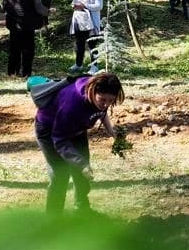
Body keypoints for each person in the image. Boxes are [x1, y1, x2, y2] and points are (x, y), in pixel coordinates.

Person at [34, 73, 124, 214]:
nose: (106, 104)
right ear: (93, 91)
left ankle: (81, 208)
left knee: (83, 172)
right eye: (103, 99)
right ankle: (53, 218)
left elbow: (101, 111)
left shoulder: (98, 95)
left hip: (77, 129)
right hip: (51, 131)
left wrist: (110, 129)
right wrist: (80, 163)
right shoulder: (73, 104)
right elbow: (60, 140)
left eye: (110, 100)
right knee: (60, 174)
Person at [2, 0, 45, 78]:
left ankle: (12, 72)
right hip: (28, 24)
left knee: (14, 49)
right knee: (28, 50)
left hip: (14, 24)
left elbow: (3, 7)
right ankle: (26, 72)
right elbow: (39, 7)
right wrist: (48, 12)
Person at [70, 0, 103, 71]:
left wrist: (85, 5)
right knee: (79, 43)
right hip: (79, 19)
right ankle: (78, 64)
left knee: (92, 44)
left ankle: (94, 66)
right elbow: (74, 2)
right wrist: (74, 5)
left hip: (91, 21)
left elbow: (99, 6)